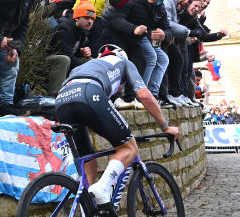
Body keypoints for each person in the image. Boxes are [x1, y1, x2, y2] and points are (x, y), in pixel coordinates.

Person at [54, 44, 180, 206]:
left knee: (87, 159)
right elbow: (144, 95)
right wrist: (165, 126)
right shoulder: (124, 62)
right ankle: (103, 187)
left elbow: (93, 119)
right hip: (89, 92)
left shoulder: (87, 66)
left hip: (62, 100)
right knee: (128, 148)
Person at [102, 0, 171, 98]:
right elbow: (115, 19)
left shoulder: (160, 6)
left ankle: (149, 95)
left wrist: (164, 35)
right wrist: (133, 29)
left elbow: (168, 29)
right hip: (113, 30)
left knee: (159, 58)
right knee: (144, 57)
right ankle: (136, 95)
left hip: (137, 37)